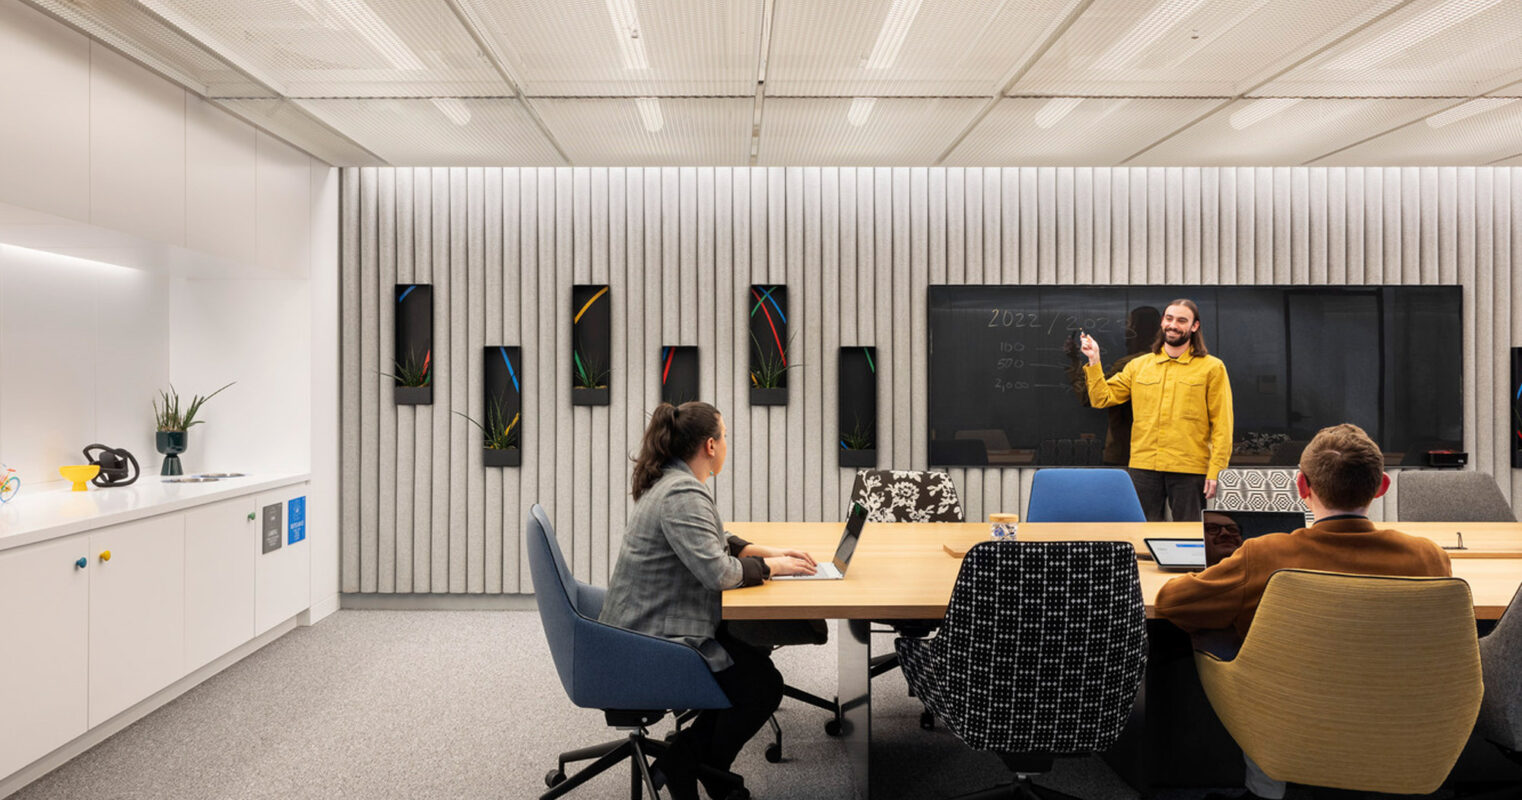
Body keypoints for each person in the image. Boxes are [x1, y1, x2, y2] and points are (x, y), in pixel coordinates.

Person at [1155, 423, 1453, 800]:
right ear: (1381, 488)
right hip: (1394, 717)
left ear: (1301, 487)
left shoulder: (1264, 555)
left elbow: (1172, 603)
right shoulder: (1427, 557)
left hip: (1287, 714)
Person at [598, 401, 817, 800]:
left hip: (644, 625)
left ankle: (690, 762)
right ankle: (695, 764)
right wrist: (773, 568)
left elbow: (714, 540)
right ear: (711, 446)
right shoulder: (682, 492)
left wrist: (765, 552)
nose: (728, 444)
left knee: (750, 667)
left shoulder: (672, 481)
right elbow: (718, 572)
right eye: (726, 436)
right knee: (760, 686)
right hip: (649, 641)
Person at [1079, 298, 1233, 521]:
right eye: (1169, 318)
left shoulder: (1212, 368)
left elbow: (1222, 424)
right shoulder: (1138, 366)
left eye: (1182, 320)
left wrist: (1216, 469)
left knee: (1189, 537)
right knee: (1143, 533)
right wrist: (1094, 359)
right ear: (1162, 322)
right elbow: (1102, 398)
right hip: (1144, 466)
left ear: (1194, 326)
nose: (1173, 325)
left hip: (1189, 468)